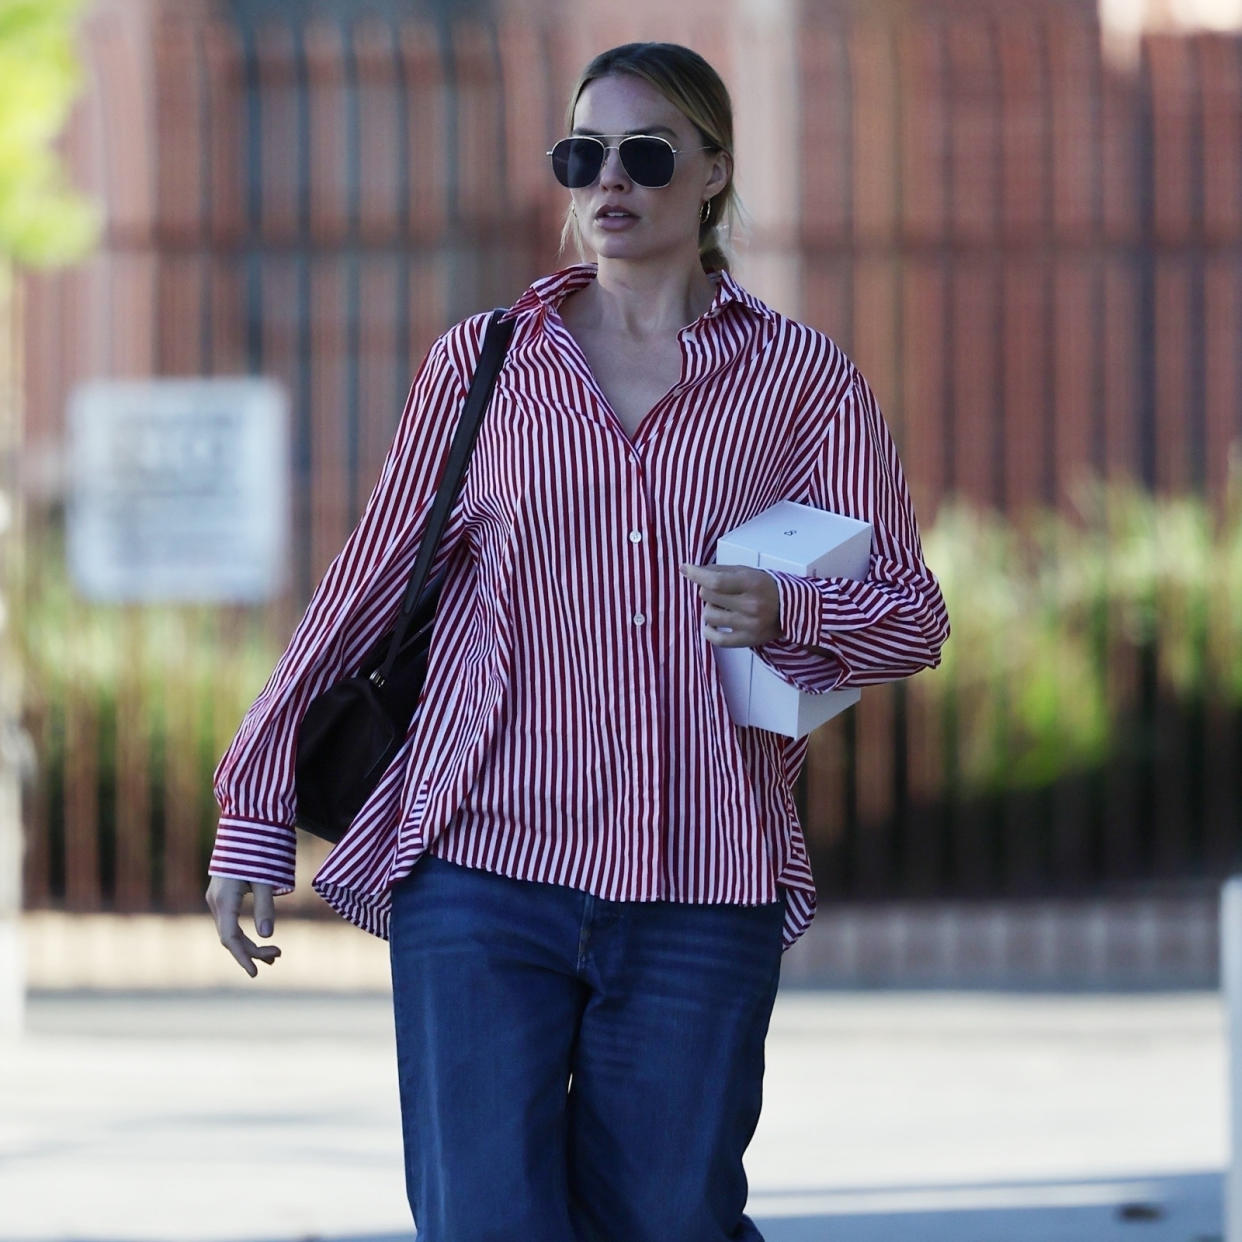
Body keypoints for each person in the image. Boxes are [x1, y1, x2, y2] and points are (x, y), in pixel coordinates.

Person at [206, 40, 948, 1242]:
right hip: (482, 869)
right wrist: (255, 806)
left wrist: (790, 612)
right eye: (583, 152)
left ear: (712, 174)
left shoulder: (804, 381)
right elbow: (358, 595)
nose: (611, 180)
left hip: (703, 876)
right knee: (485, 1219)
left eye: (647, 154)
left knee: (672, 1219)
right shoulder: (487, 365)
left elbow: (913, 615)